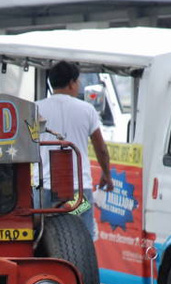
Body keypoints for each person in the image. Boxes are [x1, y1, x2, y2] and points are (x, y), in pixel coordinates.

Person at [36, 60, 113, 238]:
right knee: (82, 239)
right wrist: (106, 175)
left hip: (42, 191)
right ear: (71, 82)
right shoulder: (87, 110)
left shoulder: (35, 108)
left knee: (40, 237)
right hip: (79, 193)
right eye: (78, 81)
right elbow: (101, 149)